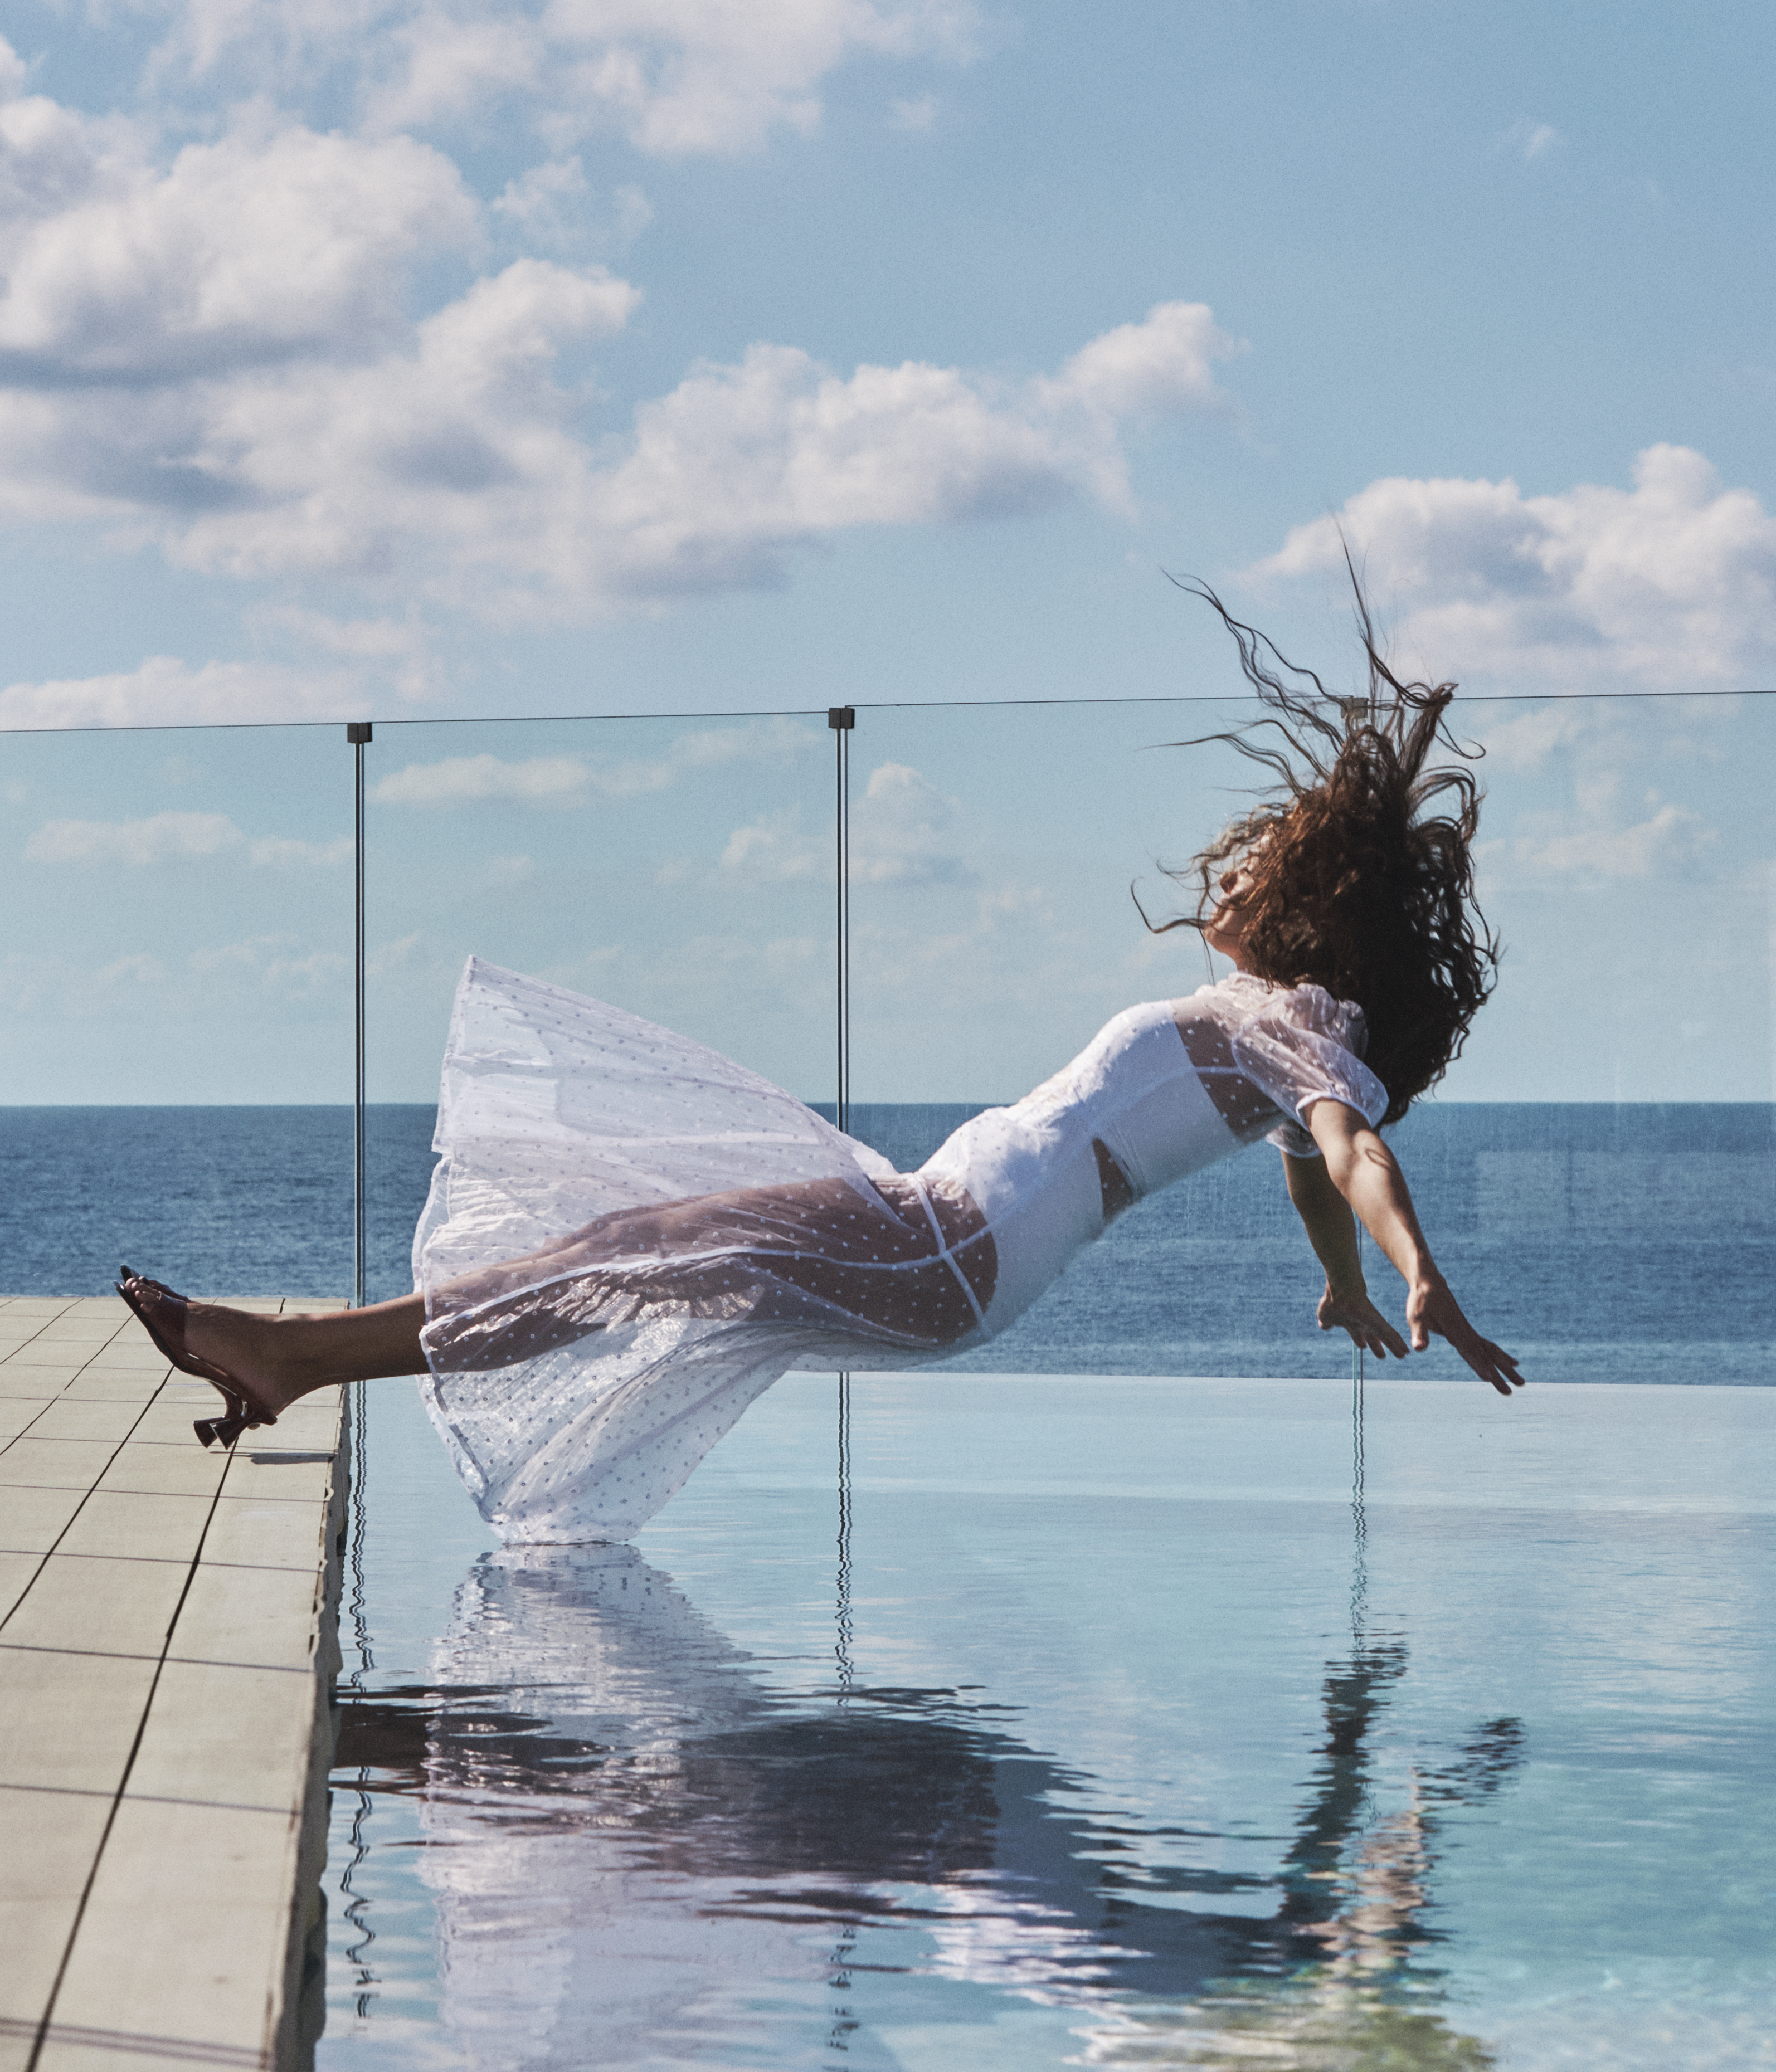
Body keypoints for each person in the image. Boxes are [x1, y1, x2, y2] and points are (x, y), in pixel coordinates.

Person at [119, 594, 1522, 1541]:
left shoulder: (1296, 1033)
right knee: (625, 1254)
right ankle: (294, 1359)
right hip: (938, 1235)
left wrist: (1414, 1270)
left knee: (625, 1248)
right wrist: (1340, 1277)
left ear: (1312, 900)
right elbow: (1313, 1168)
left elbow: (1349, 1150)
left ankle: (294, 1356)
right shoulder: (1281, 1034)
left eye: (1264, 861)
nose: (1236, 865)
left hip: (945, 1246)